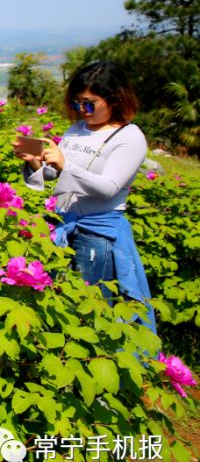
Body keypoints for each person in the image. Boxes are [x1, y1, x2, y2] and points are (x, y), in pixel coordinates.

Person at [12, 61, 156, 334]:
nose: (81, 110)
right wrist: (35, 163)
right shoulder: (77, 129)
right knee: (57, 299)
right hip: (63, 224)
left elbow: (109, 187)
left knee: (87, 306)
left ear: (115, 99)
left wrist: (66, 165)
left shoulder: (129, 137)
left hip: (97, 233)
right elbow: (58, 179)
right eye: (77, 103)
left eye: (89, 104)